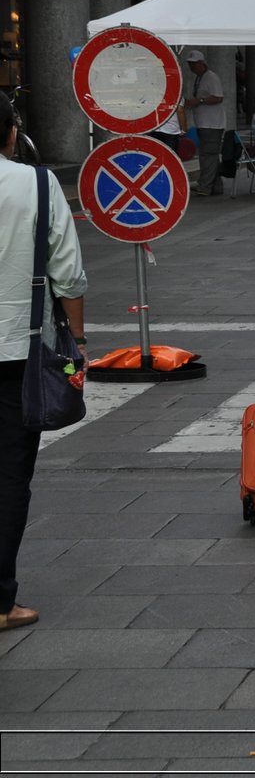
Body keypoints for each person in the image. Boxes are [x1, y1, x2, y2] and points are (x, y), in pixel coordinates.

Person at [0, 92, 87, 632]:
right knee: (10, 476)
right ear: (11, 133)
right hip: (19, 351)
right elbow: (69, 273)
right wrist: (76, 341)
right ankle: (1, 600)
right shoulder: (36, 184)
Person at [183, 50, 227, 196]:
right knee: (209, 155)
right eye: (190, 64)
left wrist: (200, 101)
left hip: (212, 123)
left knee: (208, 155)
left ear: (202, 63)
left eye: (194, 64)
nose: (191, 67)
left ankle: (205, 185)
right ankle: (215, 186)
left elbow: (218, 97)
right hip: (203, 122)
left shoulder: (211, 77)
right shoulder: (200, 78)